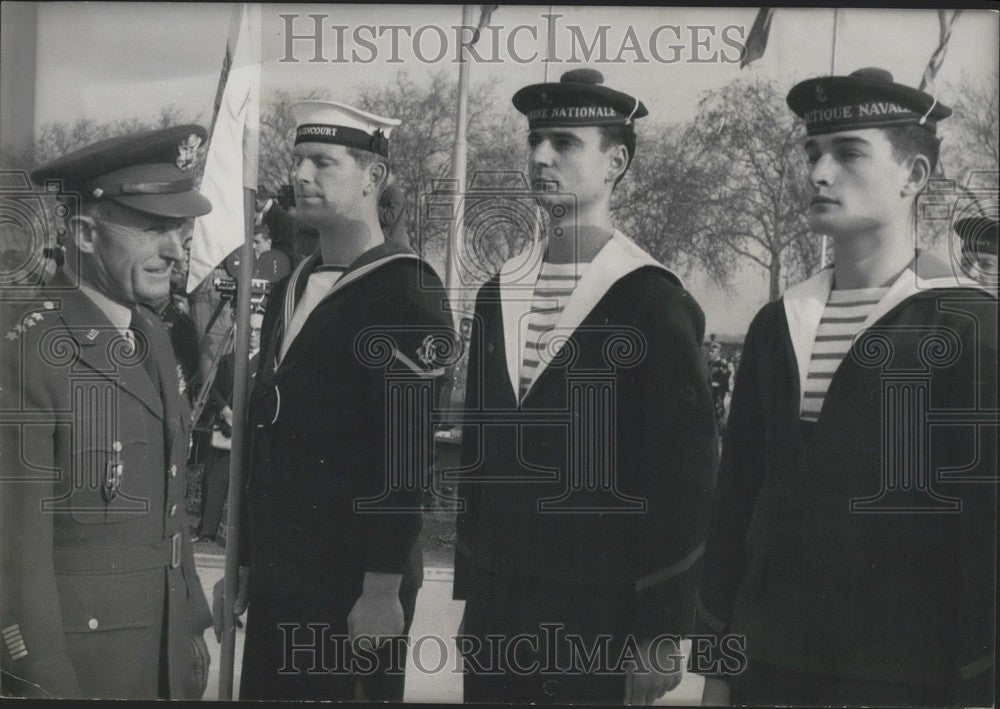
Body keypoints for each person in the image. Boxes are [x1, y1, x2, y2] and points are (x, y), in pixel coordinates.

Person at [696, 68, 997, 707]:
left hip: (903, 680)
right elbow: (737, 502)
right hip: (766, 669)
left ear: (913, 177)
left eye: (849, 153)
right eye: (813, 153)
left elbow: (985, 536)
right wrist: (719, 664)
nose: (819, 172)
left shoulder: (970, 324)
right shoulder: (776, 322)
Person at [454, 68, 718, 704]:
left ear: (615, 162)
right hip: (499, 612)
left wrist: (660, 630)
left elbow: (683, 476)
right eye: (535, 140)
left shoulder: (652, 297)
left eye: (566, 142)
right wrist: (472, 593)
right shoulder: (499, 291)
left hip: (598, 616)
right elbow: (481, 459)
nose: (541, 156)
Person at [227, 100, 454, 701]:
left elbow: (405, 459)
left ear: (372, 178)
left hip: (352, 586)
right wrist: (246, 558)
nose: (300, 176)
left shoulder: (408, 292)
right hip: (282, 573)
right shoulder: (290, 287)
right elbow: (267, 435)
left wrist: (381, 586)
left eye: (322, 163)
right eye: (298, 160)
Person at [0, 126, 215, 699]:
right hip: (84, 668)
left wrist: (191, 622)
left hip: (163, 655)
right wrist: (42, 680)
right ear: (86, 233)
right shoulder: (26, 351)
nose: (175, 250)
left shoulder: (150, 332)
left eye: (180, 228)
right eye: (152, 228)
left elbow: (167, 505)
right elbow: (15, 556)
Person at [707, 341, 732, 432]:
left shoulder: (722, 363)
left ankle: (720, 431)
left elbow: (725, 378)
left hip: (719, 392)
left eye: (712, 351)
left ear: (718, 352)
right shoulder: (710, 363)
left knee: (718, 411)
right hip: (710, 390)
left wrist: (717, 384)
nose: (710, 353)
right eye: (710, 351)